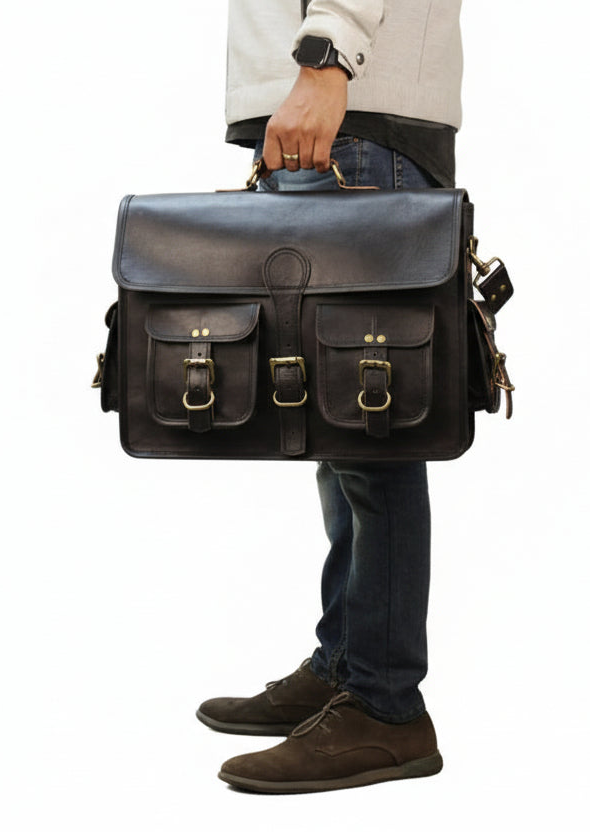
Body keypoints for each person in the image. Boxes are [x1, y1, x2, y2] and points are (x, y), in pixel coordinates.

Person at [197, 0, 464, 793]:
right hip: (329, 109)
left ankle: (385, 708)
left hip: (349, 110)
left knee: (371, 431)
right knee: (339, 427)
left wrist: (326, 60)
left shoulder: (332, 76)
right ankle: (348, 666)